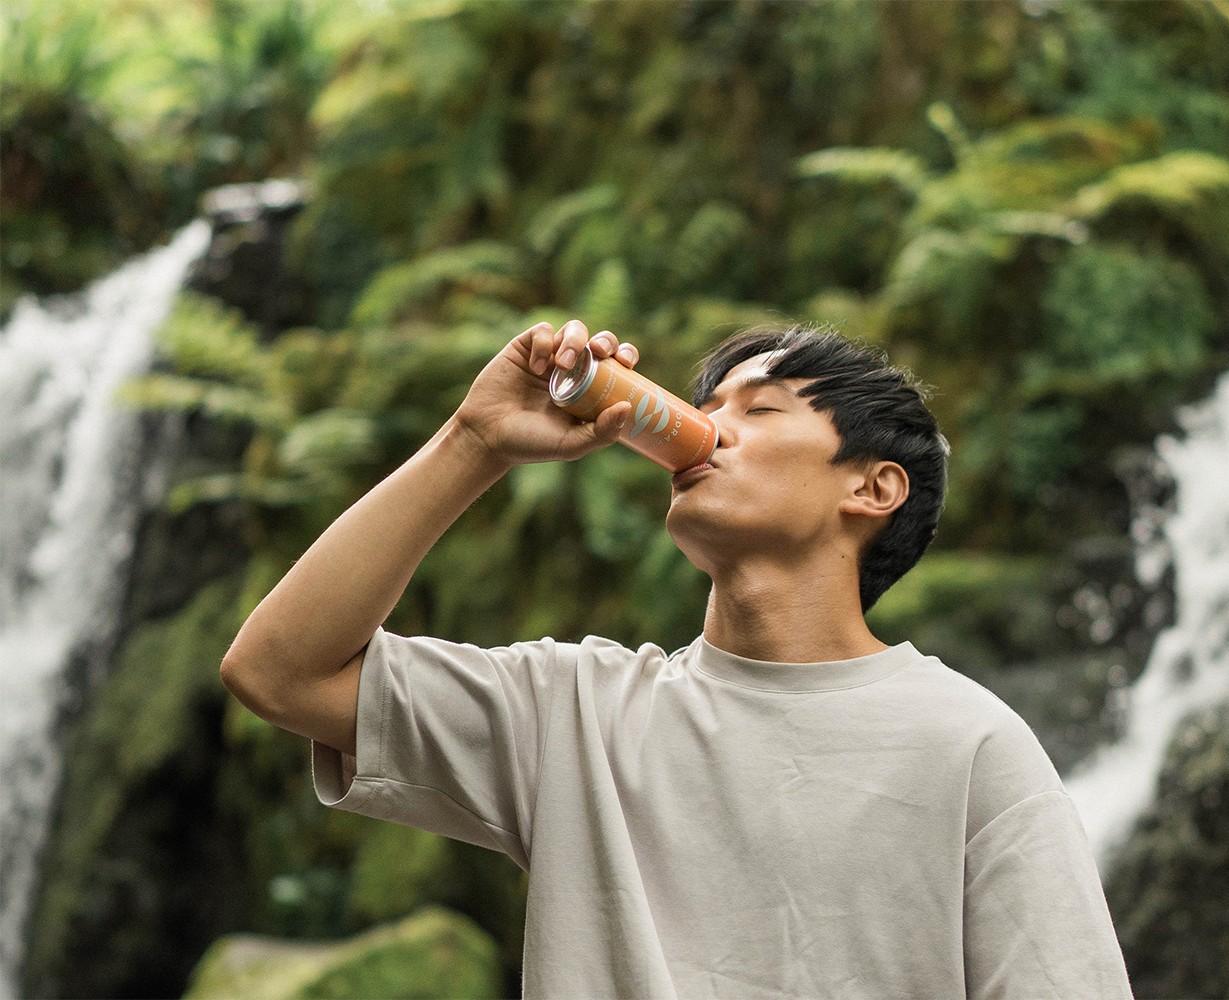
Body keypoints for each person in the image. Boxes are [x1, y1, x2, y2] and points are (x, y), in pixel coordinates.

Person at [221, 319, 1134, 999]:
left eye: (761, 409)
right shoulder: (574, 710)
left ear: (872, 486)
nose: (709, 429)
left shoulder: (971, 747)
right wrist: (476, 441)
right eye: (703, 411)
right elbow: (279, 672)